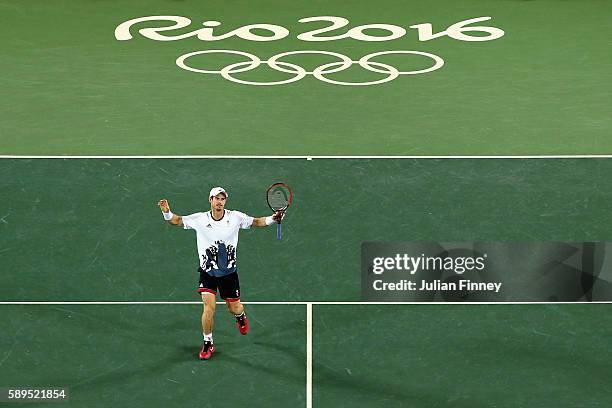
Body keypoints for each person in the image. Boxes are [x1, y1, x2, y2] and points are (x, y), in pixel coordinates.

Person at [158, 187, 284, 360]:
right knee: (209, 308)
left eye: (222, 199)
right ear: (210, 200)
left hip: (229, 274)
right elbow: (177, 220)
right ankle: (208, 342)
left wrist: (272, 218)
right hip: (207, 272)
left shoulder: (235, 218)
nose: (219, 202)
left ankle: (240, 316)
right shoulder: (200, 219)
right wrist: (167, 212)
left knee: (234, 307)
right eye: (216, 198)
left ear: (225, 201)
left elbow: (256, 222)